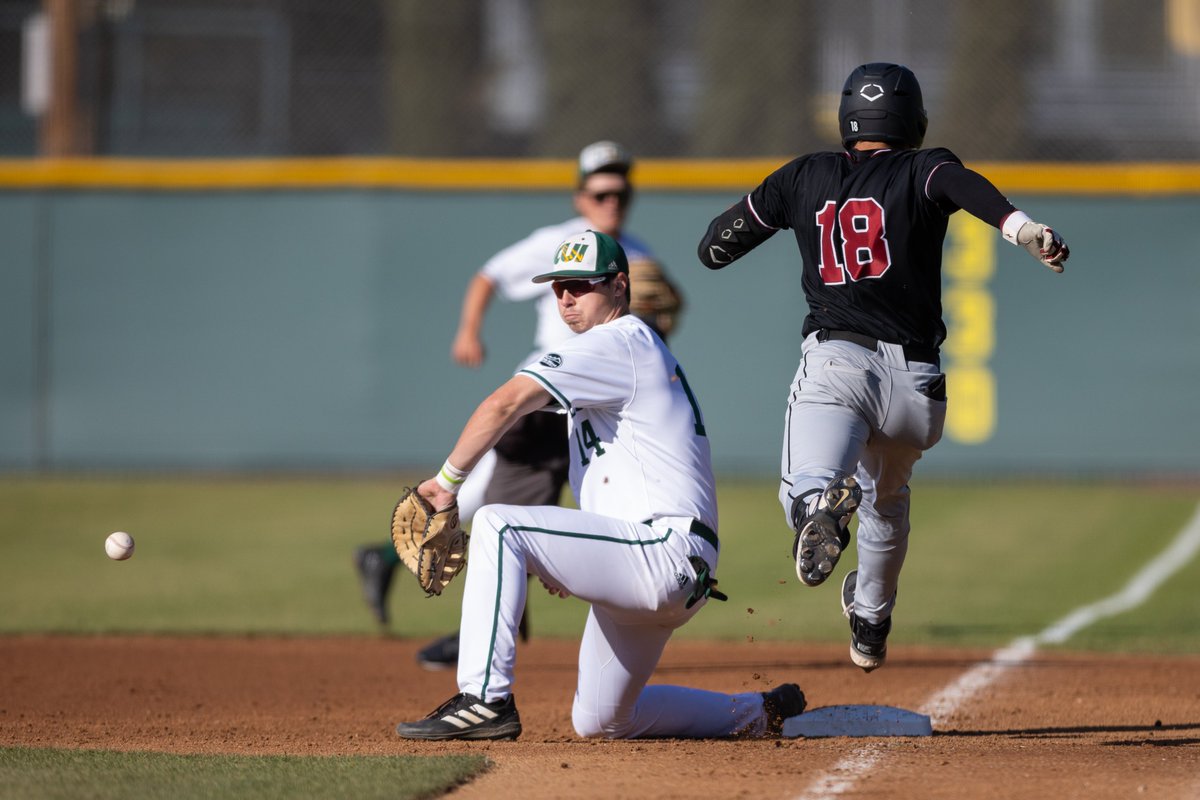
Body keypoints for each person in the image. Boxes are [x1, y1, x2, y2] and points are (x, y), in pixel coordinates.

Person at [697, 63, 1070, 673]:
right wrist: (1021, 227)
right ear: (912, 118)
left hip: (838, 362)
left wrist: (759, 216)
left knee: (808, 483)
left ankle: (819, 510)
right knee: (886, 501)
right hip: (917, 388)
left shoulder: (804, 175)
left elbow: (714, 248)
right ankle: (870, 622)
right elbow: (965, 186)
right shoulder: (924, 168)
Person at [394, 230, 805, 741]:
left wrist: (446, 483)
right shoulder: (611, 361)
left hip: (663, 553)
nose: (566, 298)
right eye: (558, 287)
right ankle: (760, 712)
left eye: (580, 286)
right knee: (603, 721)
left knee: (498, 523)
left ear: (617, 286)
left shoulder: (619, 341)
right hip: (663, 563)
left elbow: (504, 404)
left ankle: (485, 699)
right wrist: (563, 556)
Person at [353, 141, 683, 670]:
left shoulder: (636, 255)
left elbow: (656, 319)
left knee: (505, 509)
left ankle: (397, 565)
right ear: (581, 197)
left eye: (620, 191)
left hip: (588, 411)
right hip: (540, 404)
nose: (612, 201)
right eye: (600, 192)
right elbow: (488, 275)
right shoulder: (562, 245)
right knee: (493, 511)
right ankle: (467, 625)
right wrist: (468, 330)